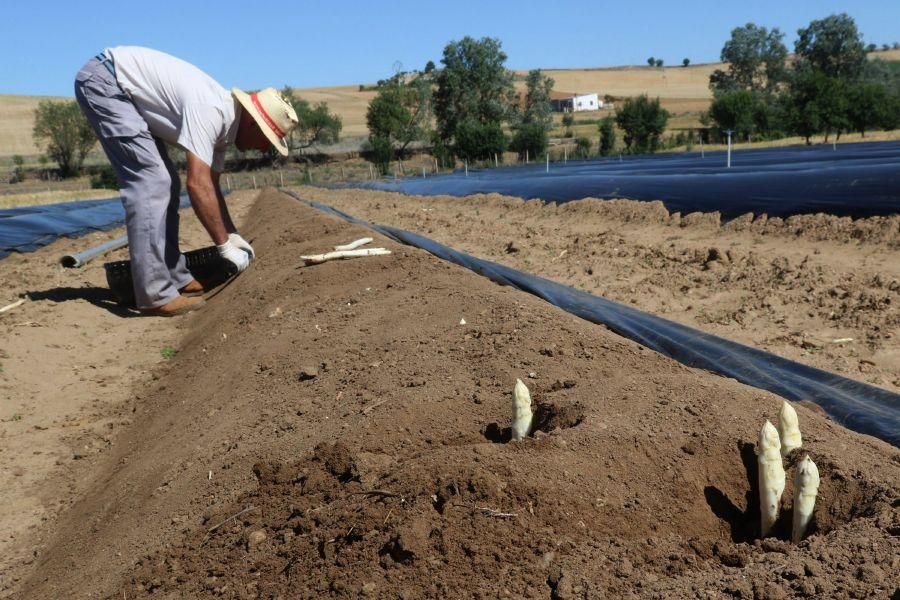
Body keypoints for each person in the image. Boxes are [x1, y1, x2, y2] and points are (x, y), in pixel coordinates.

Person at [74, 46, 299, 316]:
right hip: (106, 82)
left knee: (168, 183)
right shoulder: (212, 111)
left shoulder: (225, 128)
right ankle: (154, 294)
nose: (264, 150)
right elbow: (198, 184)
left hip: (120, 87)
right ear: (253, 124)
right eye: (267, 140)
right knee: (152, 181)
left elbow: (211, 187)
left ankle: (174, 276)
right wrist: (224, 246)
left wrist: (233, 235)